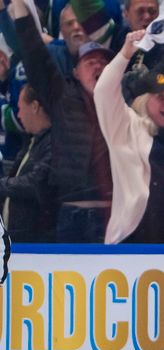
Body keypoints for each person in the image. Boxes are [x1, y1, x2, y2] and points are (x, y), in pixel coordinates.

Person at [12, 0, 115, 243]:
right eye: (90, 62)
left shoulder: (122, 97)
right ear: (76, 72)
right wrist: (19, 10)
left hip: (111, 215)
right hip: (71, 214)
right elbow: (35, 55)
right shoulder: (62, 97)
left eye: (103, 62)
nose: (98, 66)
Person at [94, 29, 164, 244]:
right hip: (133, 238)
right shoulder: (125, 127)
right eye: (160, 97)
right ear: (143, 99)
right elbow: (103, 92)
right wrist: (125, 54)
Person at [0, 83, 54, 242]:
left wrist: (1, 185)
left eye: (21, 108)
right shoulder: (32, 142)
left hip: (36, 242)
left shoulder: (54, 142)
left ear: (35, 106)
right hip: (17, 240)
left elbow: (35, 183)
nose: (19, 115)